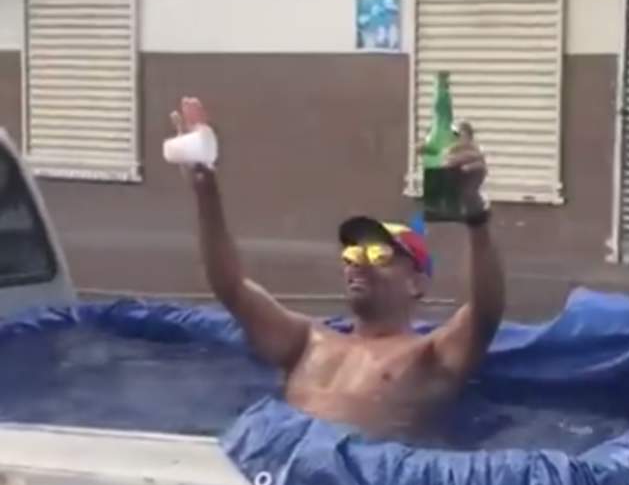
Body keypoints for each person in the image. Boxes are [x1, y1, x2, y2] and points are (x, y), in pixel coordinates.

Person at [170, 96, 504, 442]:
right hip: (283, 463)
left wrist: (475, 213)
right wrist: (205, 191)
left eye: (378, 254)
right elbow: (231, 287)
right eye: (352, 253)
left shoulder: (428, 357)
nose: (359, 262)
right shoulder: (305, 341)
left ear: (416, 283)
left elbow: (486, 311)